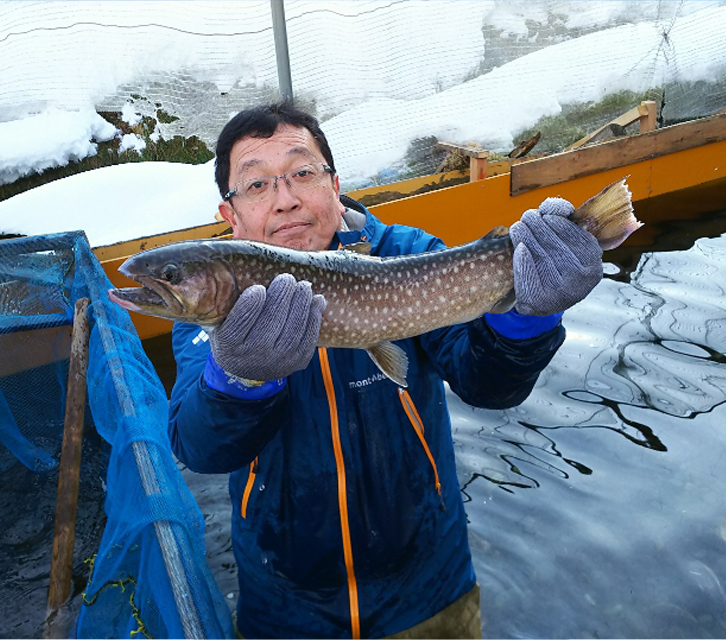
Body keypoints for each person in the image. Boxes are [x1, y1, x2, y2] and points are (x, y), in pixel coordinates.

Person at [168, 102, 603, 639]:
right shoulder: (215, 314)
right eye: (257, 186)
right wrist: (240, 379)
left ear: (333, 182)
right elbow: (201, 448)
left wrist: (526, 320)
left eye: (302, 172)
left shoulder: (407, 255)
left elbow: (487, 384)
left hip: (430, 592)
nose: (285, 199)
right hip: (284, 609)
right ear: (229, 214)